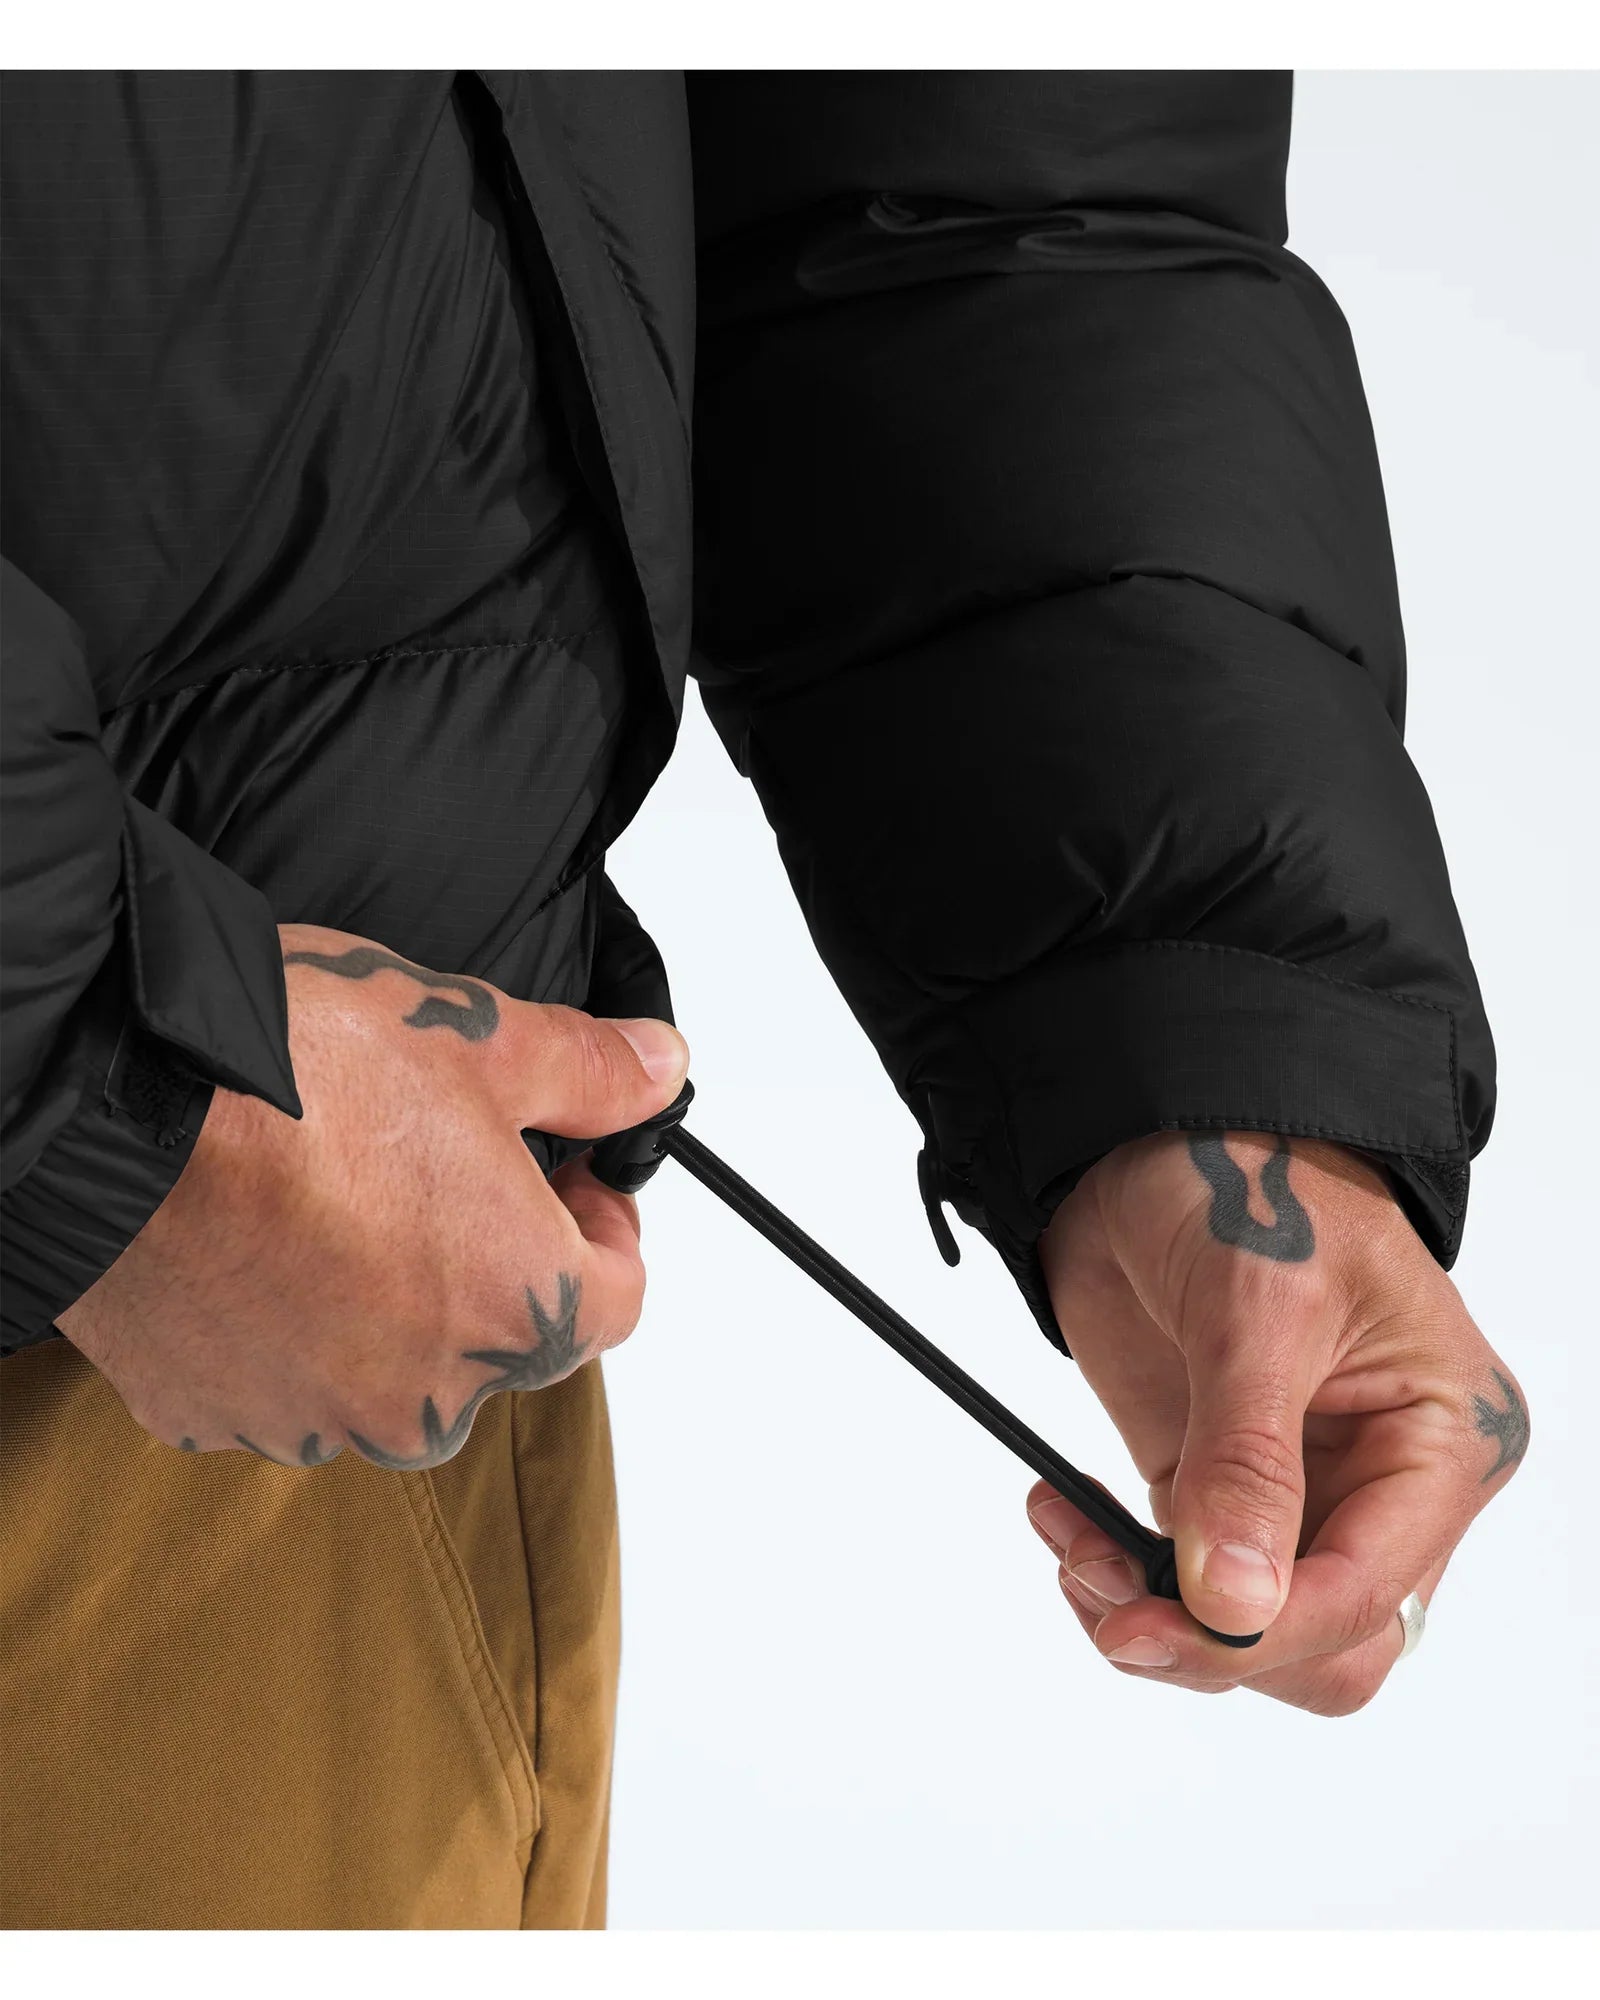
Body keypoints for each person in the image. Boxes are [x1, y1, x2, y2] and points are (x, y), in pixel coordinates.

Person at [0, 71, 1524, 1930]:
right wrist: (88, 1039)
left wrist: (1195, 1020)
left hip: (319, 1327)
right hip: (212, 1207)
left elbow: (977, 170)